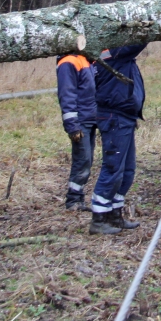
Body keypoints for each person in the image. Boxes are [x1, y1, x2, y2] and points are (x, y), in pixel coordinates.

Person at [88, 44, 147, 235]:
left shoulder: (117, 55)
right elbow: (138, 43)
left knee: (127, 171)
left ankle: (115, 214)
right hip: (115, 117)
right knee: (113, 167)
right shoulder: (112, 53)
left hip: (124, 116)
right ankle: (99, 218)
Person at [56, 52, 97, 211]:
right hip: (80, 121)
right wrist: (72, 125)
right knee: (82, 160)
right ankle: (73, 200)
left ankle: (77, 197)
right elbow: (67, 94)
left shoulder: (86, 59)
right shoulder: (69, 62)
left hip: (89, 118)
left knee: (87, 159)